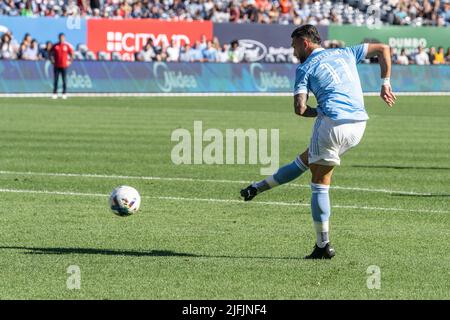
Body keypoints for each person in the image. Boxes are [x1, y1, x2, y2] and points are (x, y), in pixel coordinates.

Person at [240, 25, 396, 259]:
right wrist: (385, 83)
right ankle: (257, 187)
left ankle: (323, 245)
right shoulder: (346, 52)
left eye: (294, 46)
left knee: (320, 182)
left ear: (304, 42)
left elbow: (300, 108)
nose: (293, 52)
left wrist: (318, 111)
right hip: (358, 125)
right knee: (305, 161)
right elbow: (383, 48)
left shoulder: (305, 68)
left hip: (332, 123)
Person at [50, 33, 74, 99]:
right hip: (56, 65)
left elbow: (72, 54)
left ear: (64, 38)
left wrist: (70, 61)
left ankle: (64, 93)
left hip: (64, 66)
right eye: (60, 37)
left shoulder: (66, 46)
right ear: (58, 38)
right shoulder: (55, 46)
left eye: (63, 37)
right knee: (56, 80)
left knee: (64, 80)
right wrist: (52, 60)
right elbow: (50, 53)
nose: (61, 39)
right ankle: (55, 93)